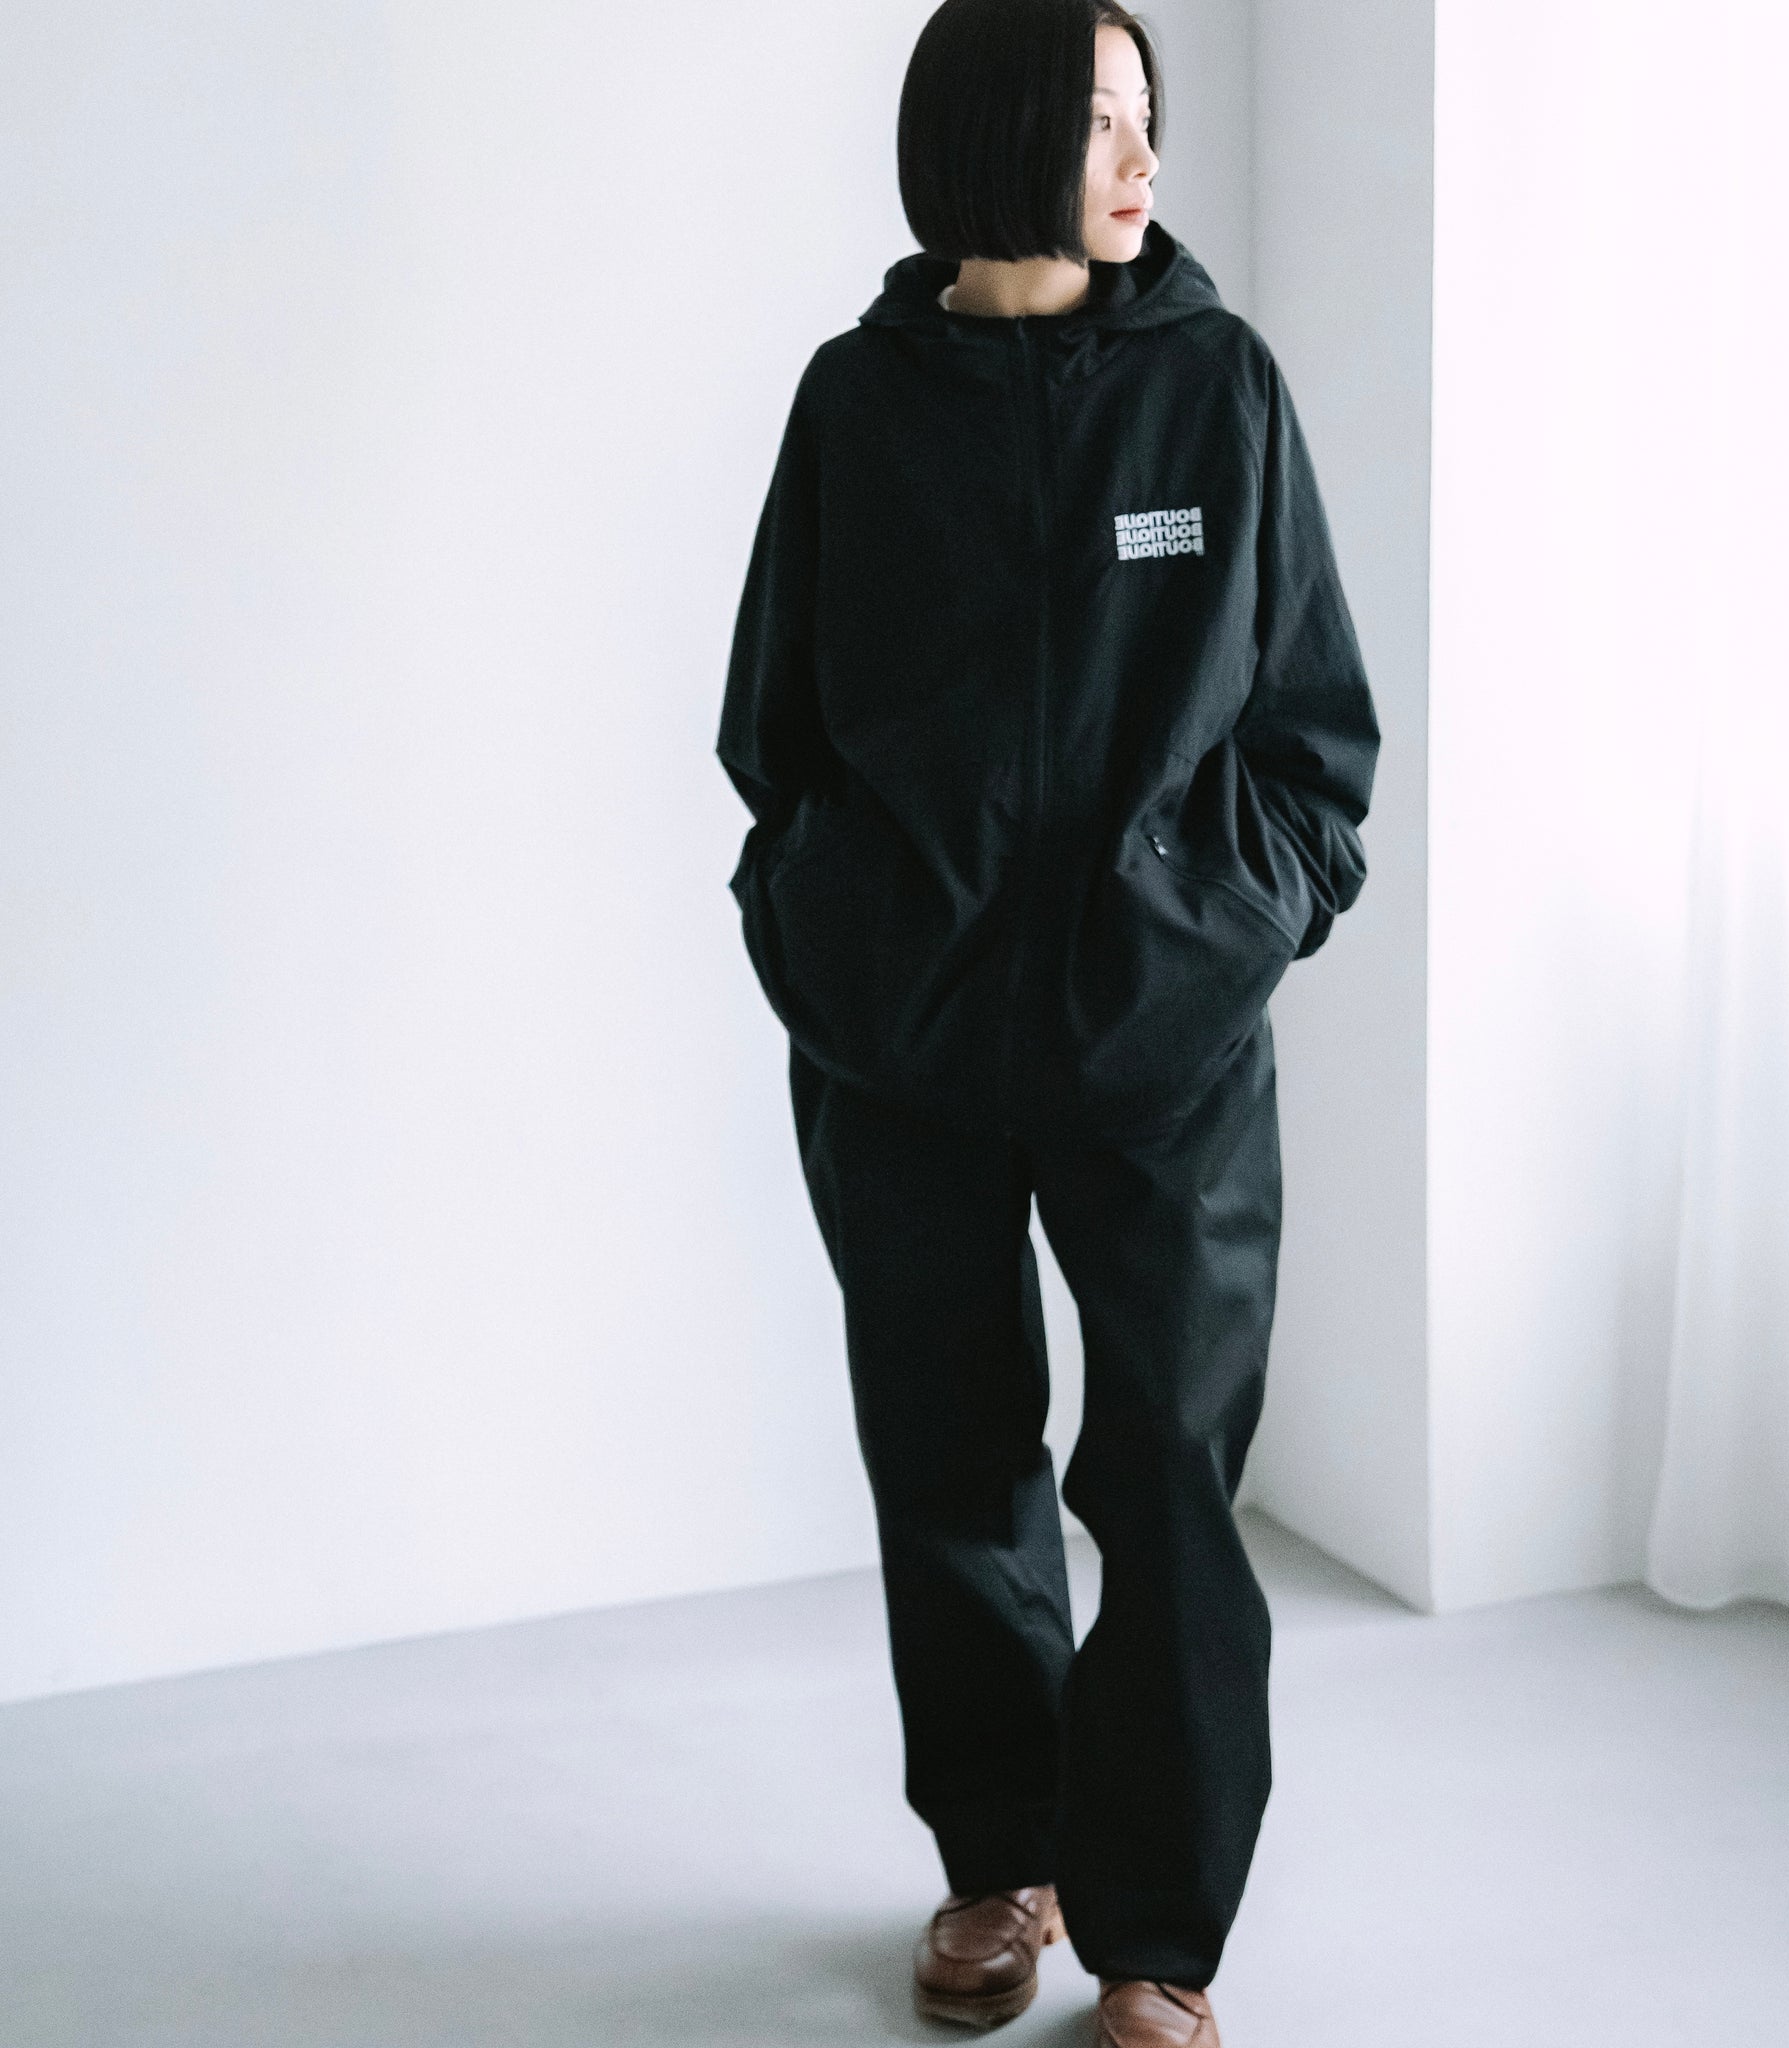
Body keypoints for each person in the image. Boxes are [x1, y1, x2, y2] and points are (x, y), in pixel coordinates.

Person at [716, 3, 1379, 2041]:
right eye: (1100, 120)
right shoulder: (857, 402)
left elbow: (1313, 739)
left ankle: (1156, 1933)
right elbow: (773, 731)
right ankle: (996, 1861)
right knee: (948, 1455)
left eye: (1145, 117)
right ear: (991, 132)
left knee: (1166, 1473)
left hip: (1162, 1052)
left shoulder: (1214, 390)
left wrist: (1213, 928)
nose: (1141, 158)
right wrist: (835, 933)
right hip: (903, 1053)